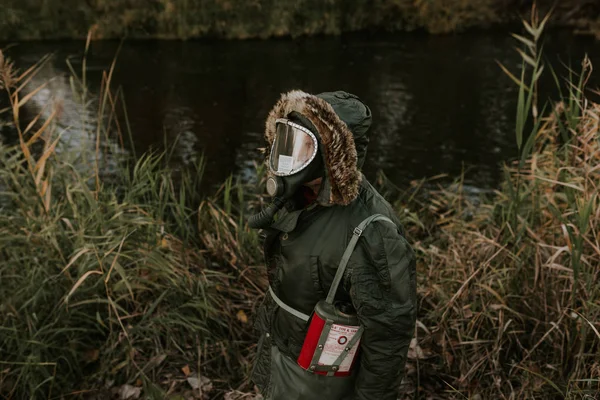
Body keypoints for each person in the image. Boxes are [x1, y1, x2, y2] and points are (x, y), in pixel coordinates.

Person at [249, 90, 417, 400]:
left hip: (319, 386)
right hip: (278, 363)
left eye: (303, 147)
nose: (288, 157)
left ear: (331, 155)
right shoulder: (297, 200)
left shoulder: (372, 235)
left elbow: (387, 342)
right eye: (286, 142)